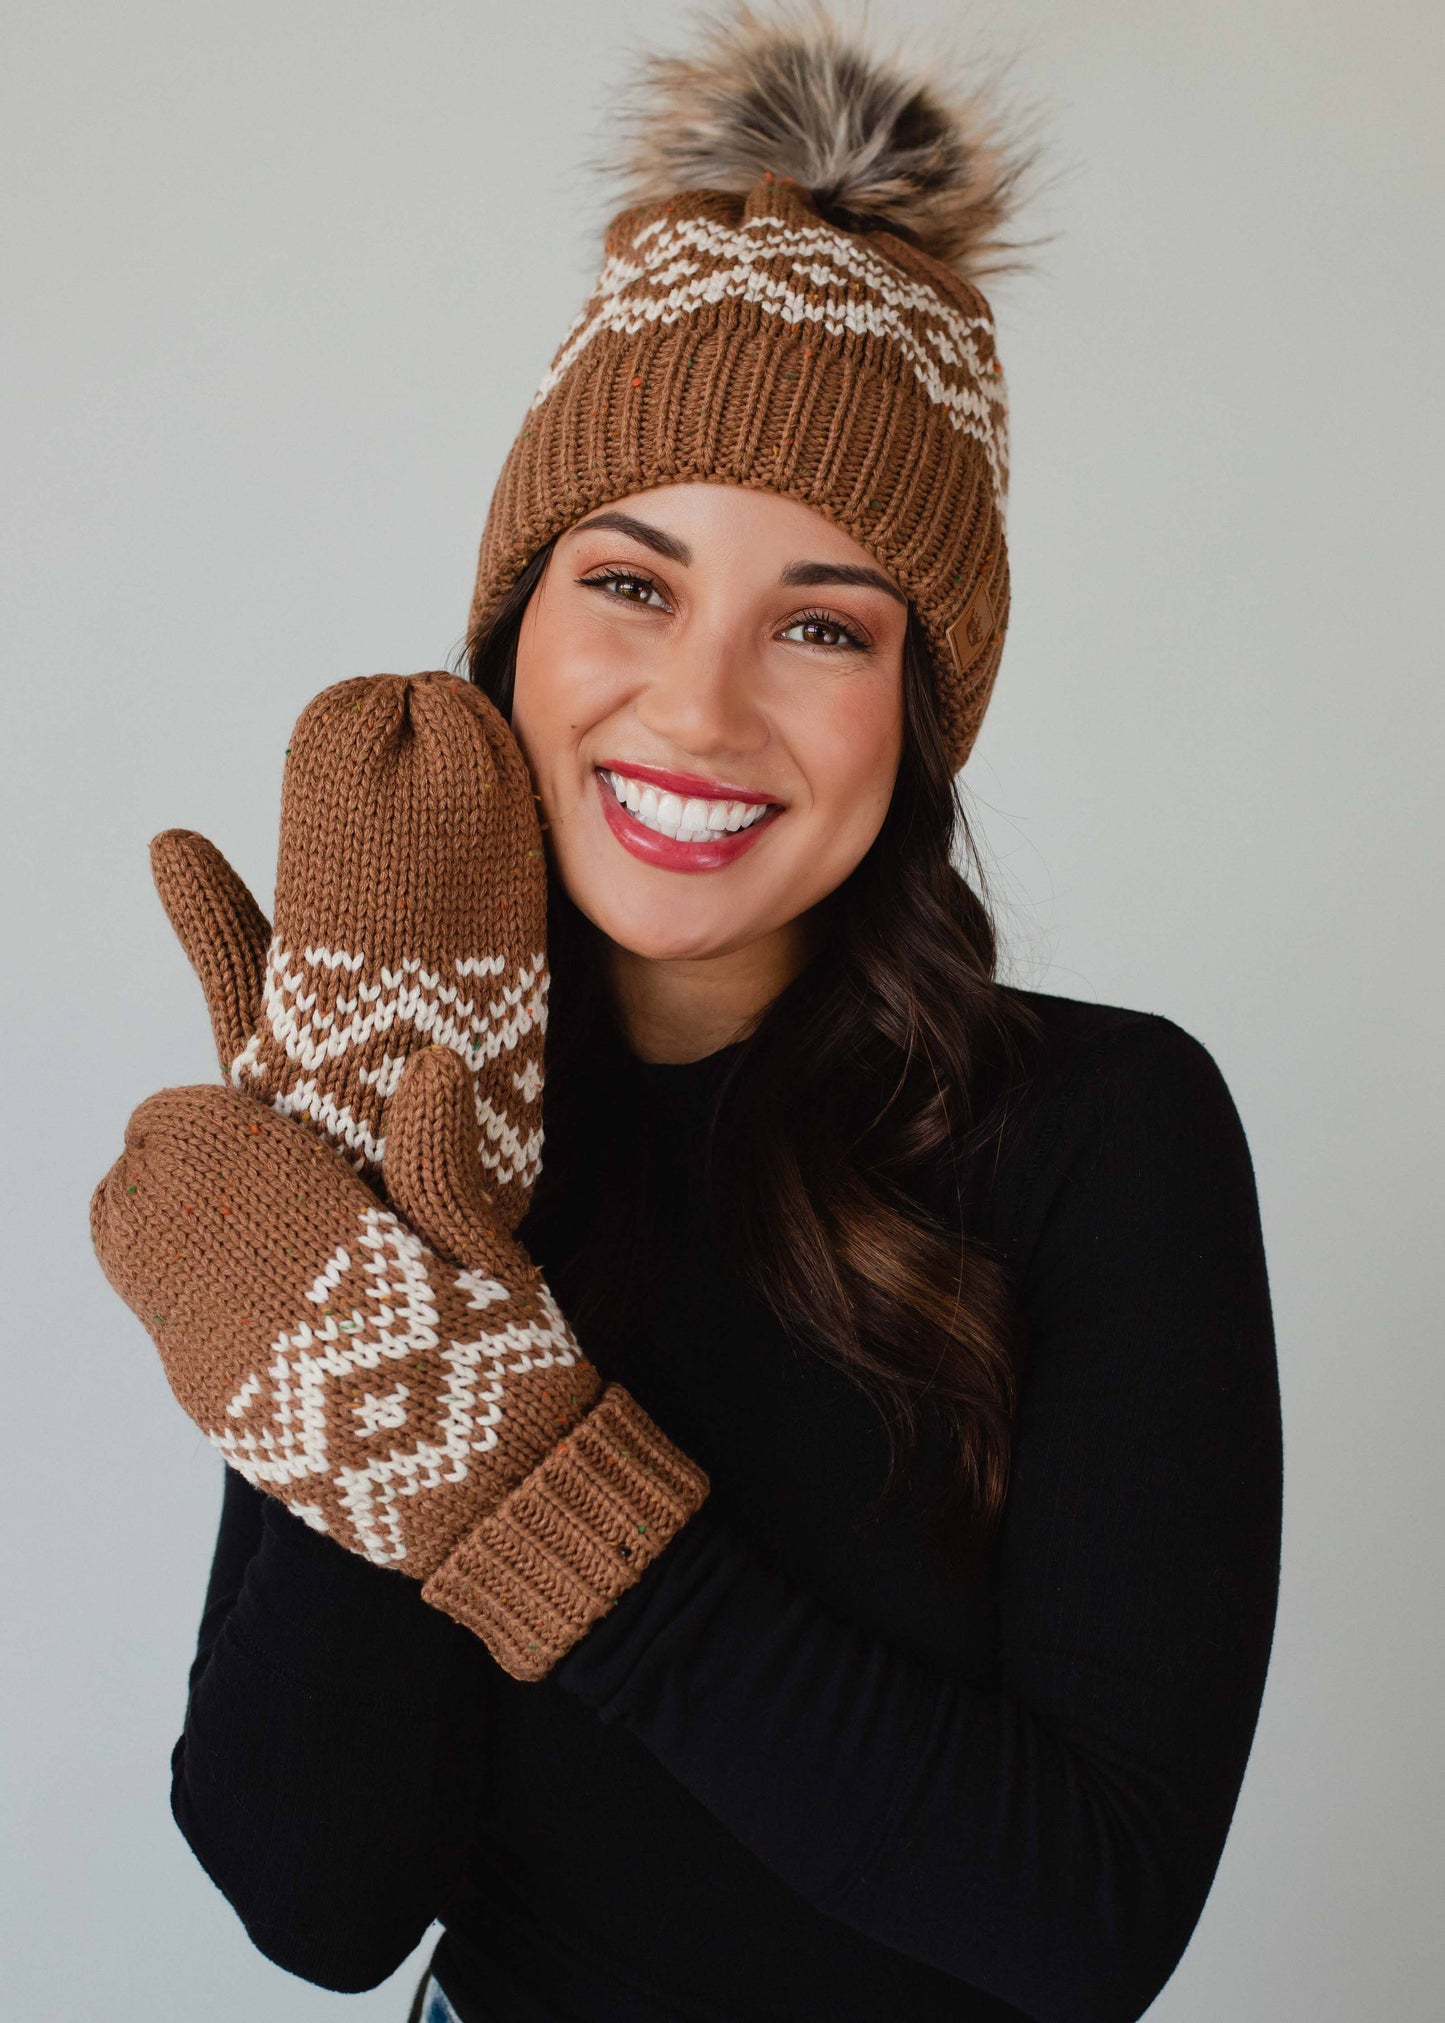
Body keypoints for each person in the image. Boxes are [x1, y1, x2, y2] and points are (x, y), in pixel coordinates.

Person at [92, 8, 1283, 2020]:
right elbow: (319, 1899)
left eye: (822, 621)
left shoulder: (1104, 1129)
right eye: (631, 581)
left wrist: (529, 1491)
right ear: (514, 624)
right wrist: (367, 1196)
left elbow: (1089, 1923)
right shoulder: (397, 1085)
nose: (704, 703)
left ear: (916, 711)